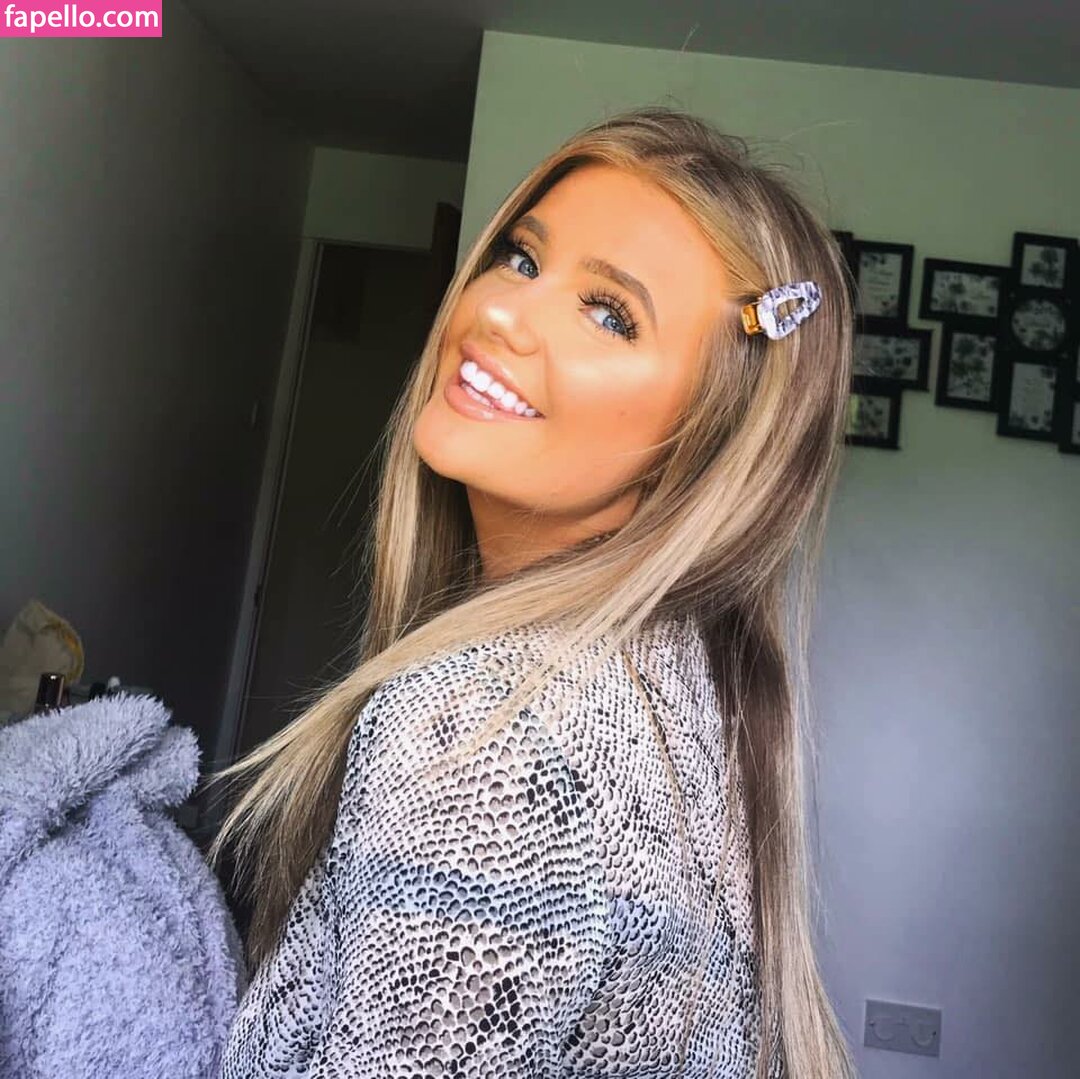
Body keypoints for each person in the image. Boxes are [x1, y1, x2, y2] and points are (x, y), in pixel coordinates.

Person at [208, 106, 856, 1078]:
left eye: (609, 313)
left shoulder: (489, 729)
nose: (499, 313)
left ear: (704, 446)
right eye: (520, 258)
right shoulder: (678, 684)